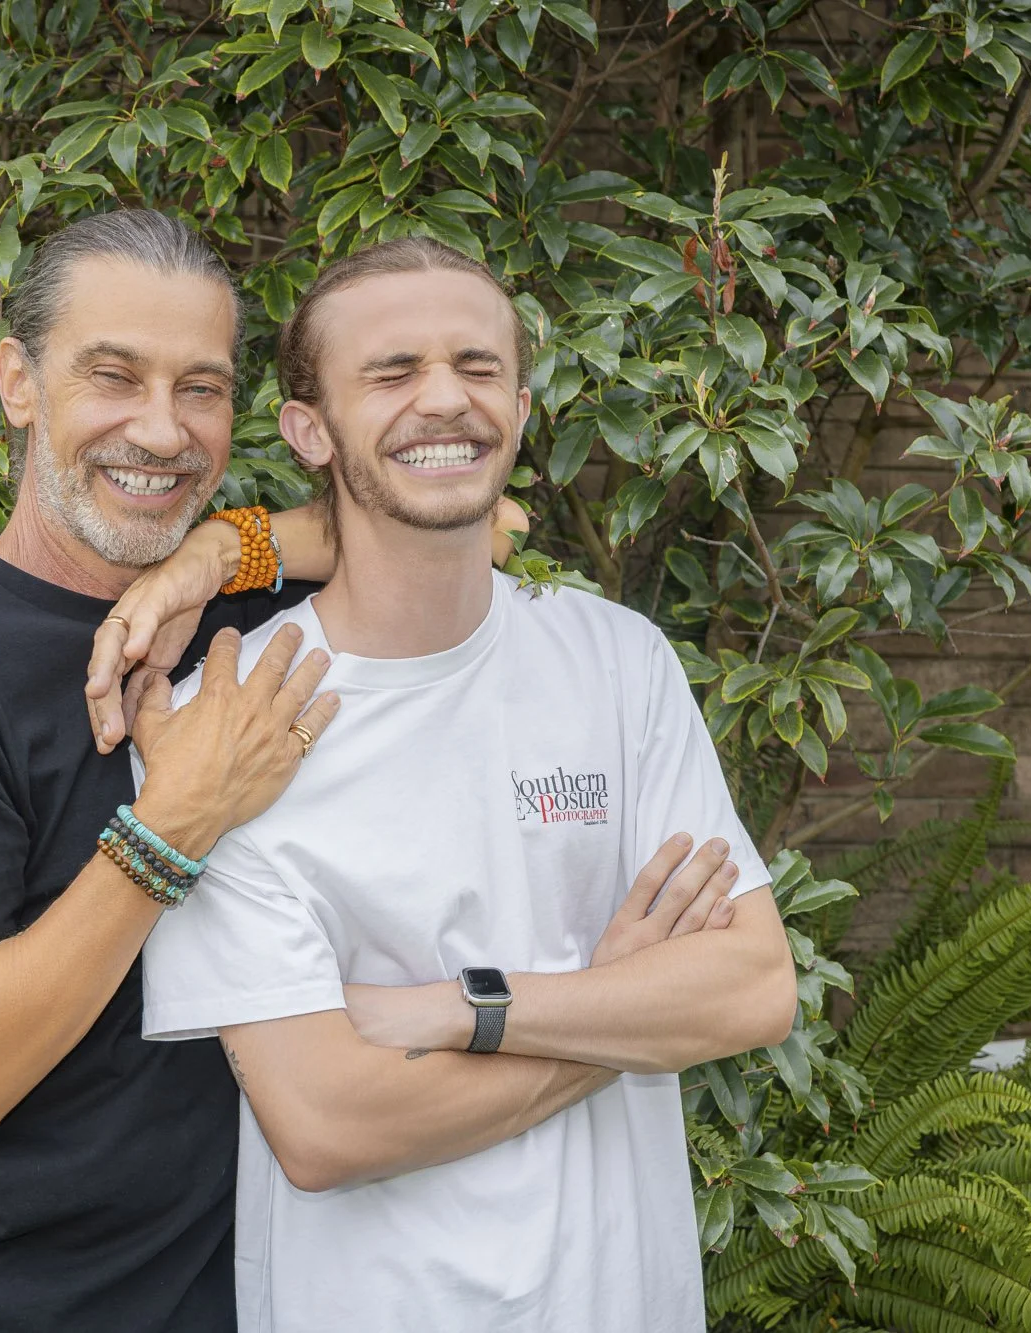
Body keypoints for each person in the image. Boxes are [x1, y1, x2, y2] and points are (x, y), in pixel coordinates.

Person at [0, 209, 533, 1332]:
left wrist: (219, 550)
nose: (161, 429)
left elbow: (480, 523)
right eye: (114, 376)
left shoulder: (249, 614)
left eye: (199, 388)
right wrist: (173, 822)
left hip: (249, 1294)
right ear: (17, 382)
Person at [137, 237, 800, 1333]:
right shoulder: (232, 715)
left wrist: (457, 1009)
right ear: (309, 428)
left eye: (477, 367)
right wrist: (617, 1000)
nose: (443, 400)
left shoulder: (617, 661)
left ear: (523, 406)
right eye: (390, 372)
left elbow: (749, 989)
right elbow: (323, 1127)